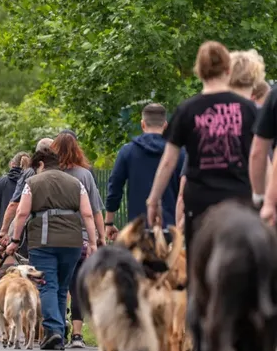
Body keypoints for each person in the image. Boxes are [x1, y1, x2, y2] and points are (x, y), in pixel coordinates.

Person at [147, 41, 257, 286]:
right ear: (228, 70)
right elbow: (259, 157)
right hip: (240, 201)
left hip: (201, 205)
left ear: (198, 71)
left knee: (199, 278)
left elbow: (168, 162)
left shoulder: (187, 110)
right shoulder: (248, 109)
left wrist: (153, 200)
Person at [5, 148, 97, 351]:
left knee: (47, 286)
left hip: (43, 242)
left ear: (40, 164)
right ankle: (57, 332)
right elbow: (88, 214)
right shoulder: (77, 184)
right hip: (73, 243)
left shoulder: (32, 184)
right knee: (62, 287)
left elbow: (21, 213)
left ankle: (53, 330)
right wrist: (92, 242)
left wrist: (15, 240)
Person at [176, 49, 264, 229]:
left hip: (204, 207)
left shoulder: (201, 111)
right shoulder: (258, 116)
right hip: (246, 205)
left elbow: (184, 183)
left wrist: (181, 222)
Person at [49, 132, 104, 349]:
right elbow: (94, 210)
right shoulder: (84, 175)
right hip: (79, 238)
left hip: (51, 237)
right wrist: (99, 237)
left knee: (54, 285)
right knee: (77, 287)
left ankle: (57, 327)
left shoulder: (47, 175)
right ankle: (78, 335)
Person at [105, 104, 184, 237]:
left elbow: (115, 187)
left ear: (143, 124)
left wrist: (109, 222)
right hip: (171, 229)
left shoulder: (128, 151)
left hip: (138, 228)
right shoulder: (180, 153)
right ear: (165, 125)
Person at [0, 137, 55, 258]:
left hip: (35, 232)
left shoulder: (29, 174)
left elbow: (16, 206)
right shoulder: (63, 173)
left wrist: (5, 232)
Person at [0, 151, 29, 235]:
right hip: (27, 235)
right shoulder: (32, 182)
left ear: (12, 164)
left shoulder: (0, 182)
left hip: (5, 235)